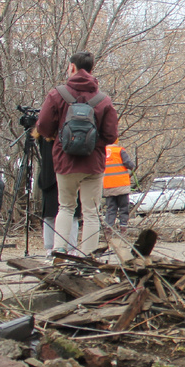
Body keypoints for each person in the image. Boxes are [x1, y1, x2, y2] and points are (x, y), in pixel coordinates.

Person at [34, 51, 119, 258]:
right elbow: (111, 135)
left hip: (65, 161)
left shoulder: (57, 94)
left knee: (65, 207)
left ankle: (59, 252)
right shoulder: (103, 100)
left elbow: (43, 126)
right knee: (91, 212)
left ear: (72, 67)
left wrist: (57, 136)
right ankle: (88, 256)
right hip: (93, 163)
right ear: (91, 69)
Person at [33, 131, 79, 258]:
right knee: (51, 215)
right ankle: (51, 248)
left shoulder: (70, 129)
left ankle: (69, 248)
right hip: (52, 178)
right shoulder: (45, 134)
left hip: (67, 174)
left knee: (70, 212)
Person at [102, 142, 136, 234]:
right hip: (121, 185)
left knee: (110, 209)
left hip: (108, 186)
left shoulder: (102, 151)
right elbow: (128, 163)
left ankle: (108, 229)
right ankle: (123, 228)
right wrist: (132, 166)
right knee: (123, 208)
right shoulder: (119, 150)